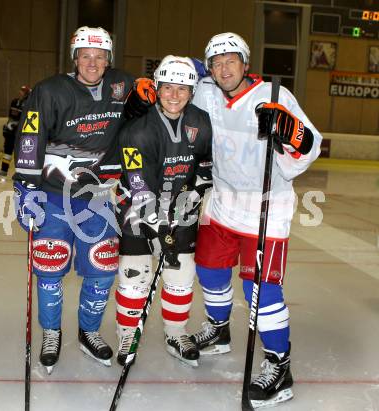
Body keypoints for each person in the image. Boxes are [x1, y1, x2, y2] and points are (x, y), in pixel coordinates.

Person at [12, 26, 156, 373]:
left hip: (98, 196)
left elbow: (161, 100)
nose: (92, 63)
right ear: (75, 58)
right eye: (85, 56)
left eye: (100, 56)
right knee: (50, 265)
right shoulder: (49, 91)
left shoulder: (123, 85)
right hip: (52, 195)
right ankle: (51, 331)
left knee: (102, 267)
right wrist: (24, 187)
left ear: (109, 59)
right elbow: (30, 136)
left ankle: (88, 332)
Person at [190, 32, 322, 407]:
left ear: (246, 64)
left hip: (266, 207)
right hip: (221, 201)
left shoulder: (274, 97)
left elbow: (309, 143)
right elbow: (179, 92)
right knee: (210, 270)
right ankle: (218, 331)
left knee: (260, 291)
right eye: (216, 63)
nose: (223, 68)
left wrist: (293, 136)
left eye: (231, 60)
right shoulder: (207, 91)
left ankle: (280, 365)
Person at [114, 56, 213, 367]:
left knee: (181, 275)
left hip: (181, 208)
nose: (174, 95)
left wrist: (196, 191)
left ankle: (176, 333)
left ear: (192, 90)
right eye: (168, 87)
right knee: (135, 277)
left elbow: (205, 167)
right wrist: (158, 225)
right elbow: (139, 187)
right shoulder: (137, 131)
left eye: (182, 88)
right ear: (156, 88)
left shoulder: (202, 121)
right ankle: (127, 335)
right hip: (138, 208)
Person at [0, 85, 31, 177]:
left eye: (23, 91)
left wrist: (18, 127)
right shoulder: (14, 102)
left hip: (20, 134)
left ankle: (20, 173)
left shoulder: (29, 104)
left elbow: (27, 119)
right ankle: (4, 170)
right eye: (21, 90)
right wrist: (7, 127)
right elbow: (11, 117)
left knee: (20, 153)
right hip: (11, 132)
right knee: (7, 151)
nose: (20, 92)